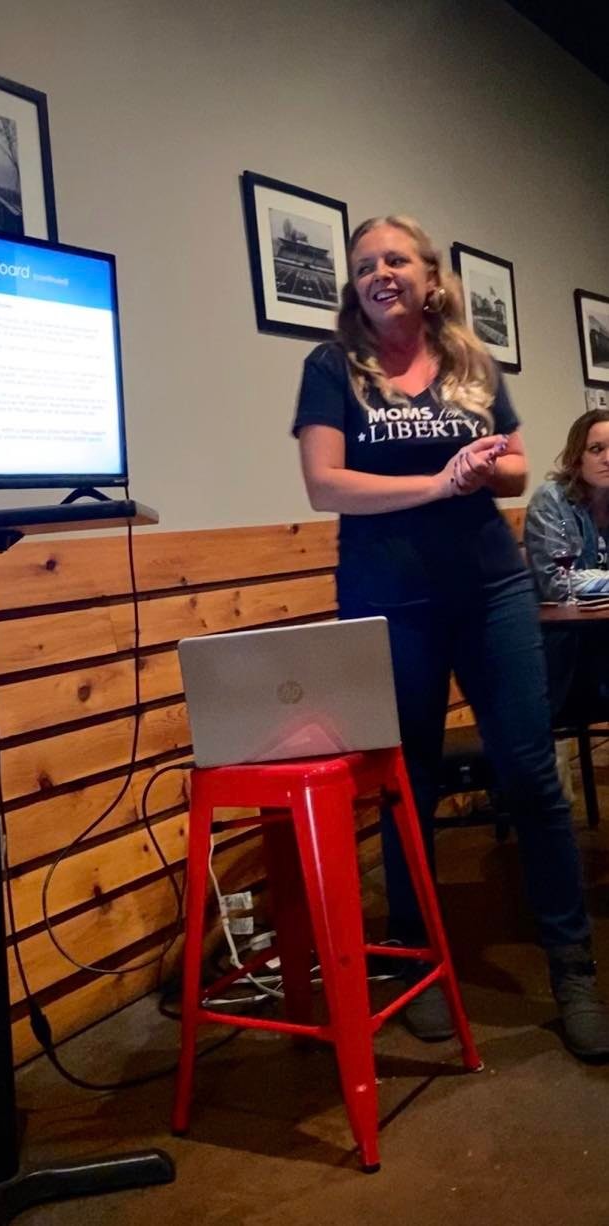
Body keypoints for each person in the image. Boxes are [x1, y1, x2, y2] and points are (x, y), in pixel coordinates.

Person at [291, 213, 609, 1060]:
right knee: (409, 783)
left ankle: (571, 967)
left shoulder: (471, 359)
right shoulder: (330, 366)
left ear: (430, 278)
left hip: (490, 590)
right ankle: (414, 958)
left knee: (530, 775)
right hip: (387, 597)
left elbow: (516, 465)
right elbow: (324, 485)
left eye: (395, 258)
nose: (379, 272)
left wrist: (478, 468)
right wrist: (436, 483)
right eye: (364, 263)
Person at [524, 409, 609, 728]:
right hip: (566, 649)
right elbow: (559, 585)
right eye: (596, 449)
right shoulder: (552, 501)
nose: (608, 459)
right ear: (576, 457)